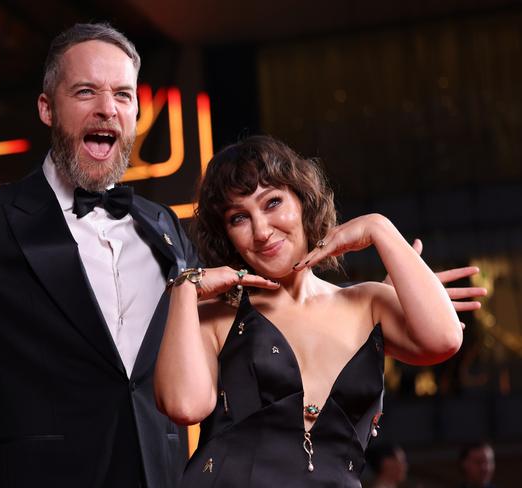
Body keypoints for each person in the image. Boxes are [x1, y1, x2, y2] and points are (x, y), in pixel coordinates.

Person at [0, 23, 197, 488]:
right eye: (86, 91)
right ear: (47, 108)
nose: (107, 108)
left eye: (123, 95)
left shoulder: (164, 226)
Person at [154, 135, 483, 487]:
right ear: (226, 235)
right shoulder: (217, 315)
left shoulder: (367, 303)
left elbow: (444, 340)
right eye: (239, 218)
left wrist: (378, 227)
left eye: (273, 202)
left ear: (304, 199)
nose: (262, 231)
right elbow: (184, 406)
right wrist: (185, 287)